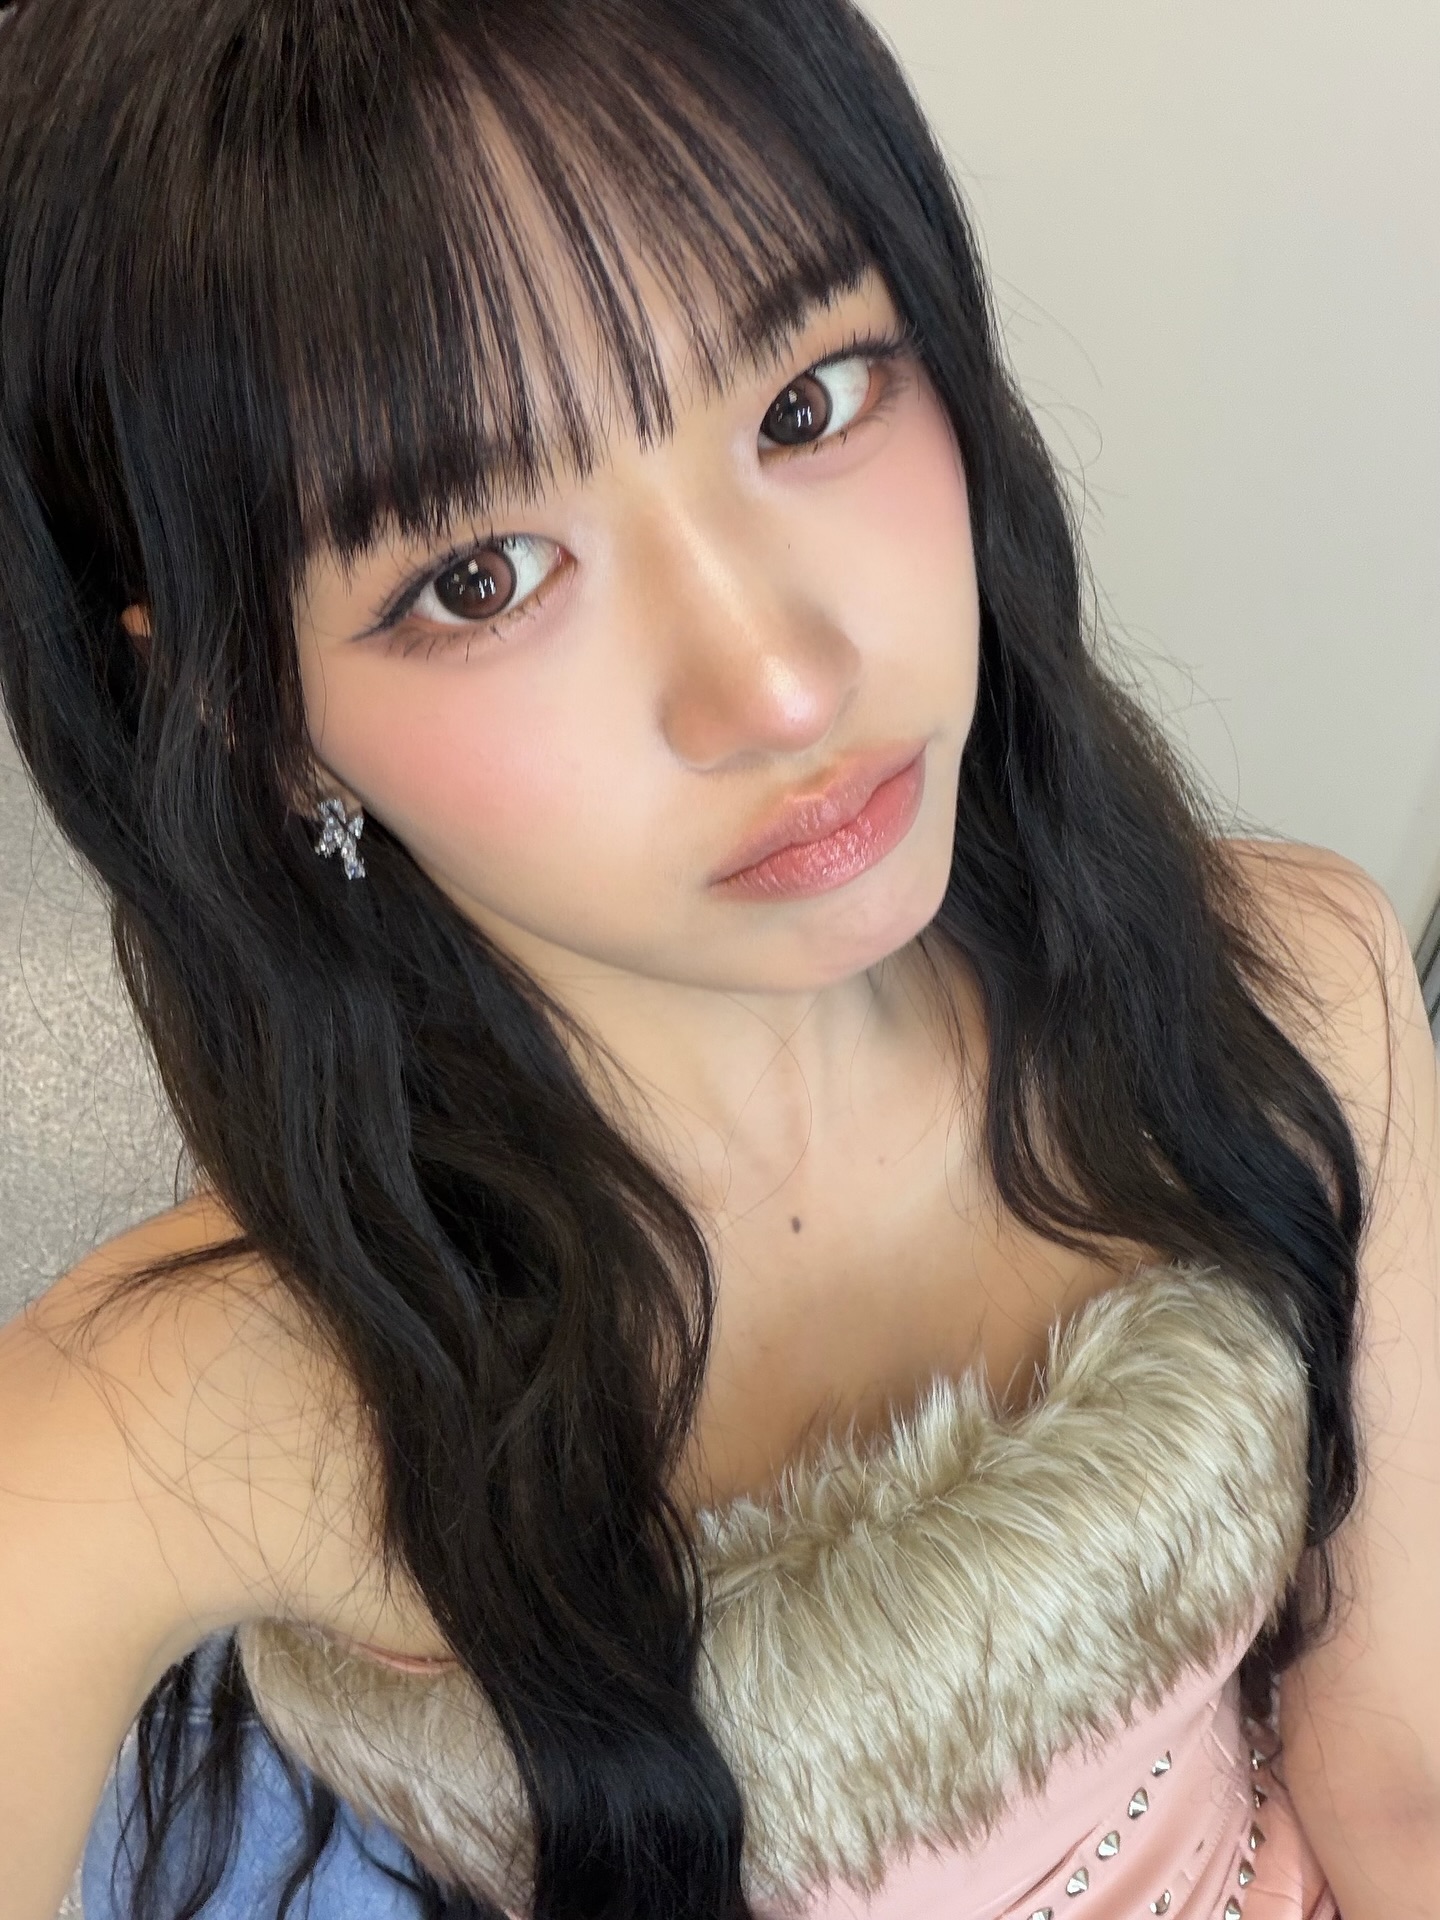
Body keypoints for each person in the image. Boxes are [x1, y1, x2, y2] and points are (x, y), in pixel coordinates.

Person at [0, 0, 1436, 1916]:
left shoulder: (1290, 985)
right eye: (481, 576)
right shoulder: (182, 1412)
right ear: (247, 709)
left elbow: (1397, 1784)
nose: (782, 685)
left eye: (808, 403)